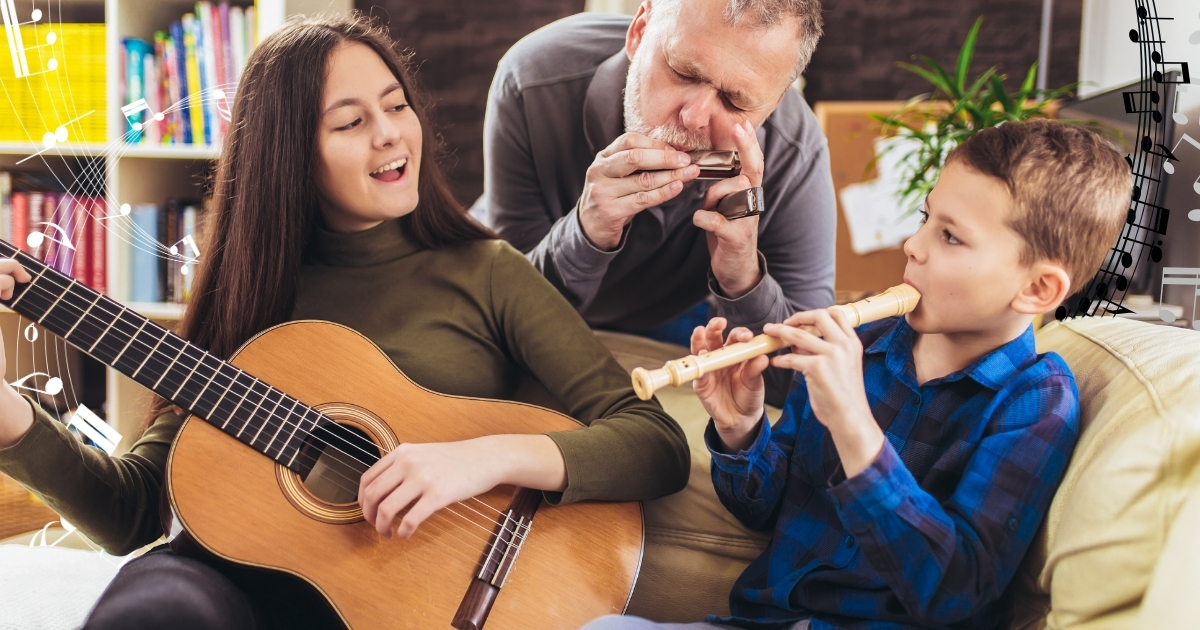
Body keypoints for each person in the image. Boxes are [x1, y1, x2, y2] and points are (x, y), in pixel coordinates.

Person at [0, 14, 688, 629]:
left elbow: (654, 443)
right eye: (351, 121)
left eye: (397, 106)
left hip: (406, 597)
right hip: (232, 585)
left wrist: (481, 459)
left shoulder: (487, 271)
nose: (391, 134)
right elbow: (131, 512)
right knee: (151, 609)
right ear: (290, 154)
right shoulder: (248, 294)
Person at [582, 120, 1131, 629]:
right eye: (925, 218)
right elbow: (765, 510)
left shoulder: (1036, 401)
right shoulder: (861, 346)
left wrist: (852, 424)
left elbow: (953, 590)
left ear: (1037, 289)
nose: (912, 246)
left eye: (951, 237)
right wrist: (742, 428)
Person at [470, 0, 834, 405]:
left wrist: (741, 275)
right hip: (520, 273)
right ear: (639, 31)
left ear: (777, 102)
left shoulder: (795, 150)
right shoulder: (534, 77)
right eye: (683, 72)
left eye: (736, 102)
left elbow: (806, 381)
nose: (695, 117)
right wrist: (584, 232)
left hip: (675, 315)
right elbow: (502, 325)